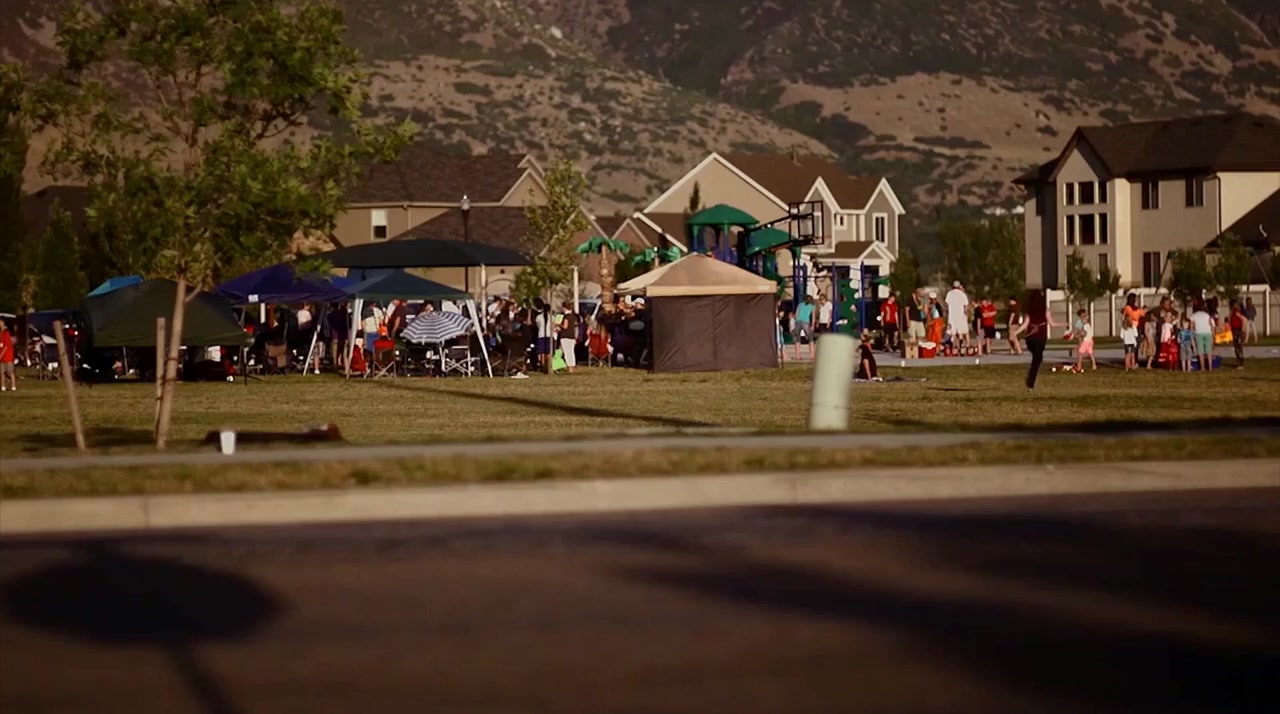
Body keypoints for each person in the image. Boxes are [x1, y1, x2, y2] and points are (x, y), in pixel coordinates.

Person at [1019, 289, 1057, 390]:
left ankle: (1030, 380)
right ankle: (1030, 382)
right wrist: (1065, 324)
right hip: (1040, 337)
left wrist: (1015, 333)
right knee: (1037, 359)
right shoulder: (1045, 309)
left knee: (1036, 358)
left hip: (1030, 338)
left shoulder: (1029, 310)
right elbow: (1052, 323)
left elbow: (1025, 324)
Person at [944, 280, 970, 355]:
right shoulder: (962, 294)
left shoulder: (950, 293)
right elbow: (966, 305)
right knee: (960, 333)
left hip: (952, 316)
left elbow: (947, 304)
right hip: (960, 316)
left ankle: (953, 349)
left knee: (952, 333)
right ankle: (962, 348)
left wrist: (949, 310)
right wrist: (964, 313)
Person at [1190, 299, 1215, 372]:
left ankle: (1202, 367)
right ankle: (1210, 367)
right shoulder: (1207, 315)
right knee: (1209, 351)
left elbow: (1191, 328)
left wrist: (1192, 336)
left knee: (1200, 351)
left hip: (1199, 333)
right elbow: (1211, 325)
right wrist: (1213, 334)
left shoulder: (1193, 316)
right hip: (1208, 333)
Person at [557, 301, 580, 374]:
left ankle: (569, 367)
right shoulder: (573, 316)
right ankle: (572, 367)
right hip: (572, 336)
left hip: (565, 336)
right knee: (571, 352)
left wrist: (558, 325)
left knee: (567, 352)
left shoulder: (566, 316)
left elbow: (565, 326)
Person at [1228, 299, 1246, 369]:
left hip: (1238, 330)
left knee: (1239, 347)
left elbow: (1244, 320)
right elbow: (1230, 321)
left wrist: (1242, 330)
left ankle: (1240, 362)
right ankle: (1238, 361)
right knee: (1236, 347)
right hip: (1234, 330)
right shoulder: (1232, 313)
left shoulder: (1237, 312)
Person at [0, 319, 15, 392]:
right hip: (2, 356)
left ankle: (13, 386)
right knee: (2, 372)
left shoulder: (6, 332)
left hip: (8, 356)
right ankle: (3, 386)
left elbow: (6, 346)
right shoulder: (1, 332)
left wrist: (1, 355)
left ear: (3, 323)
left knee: (10, 371)